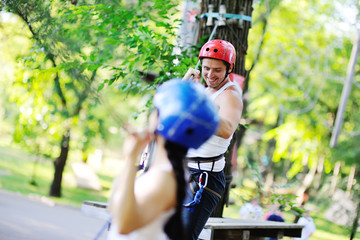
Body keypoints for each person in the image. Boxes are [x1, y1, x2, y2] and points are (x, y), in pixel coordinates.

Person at [107, 79, 220, 240]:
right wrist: (130, 160)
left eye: (156, 110)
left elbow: (124, 226)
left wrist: (131, 157)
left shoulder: (164, 178)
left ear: (164, 120)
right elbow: (114, 210)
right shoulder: (166, 173)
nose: (152, 115)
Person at [182, 39, 243, 240]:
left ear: (229, 69)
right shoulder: (205, 89)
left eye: (217, 70)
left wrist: (197, 108)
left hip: (204, 177)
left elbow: (226, 129)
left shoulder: (230, 94)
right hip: (185, 169)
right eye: (206, 68)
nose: (210, 74)